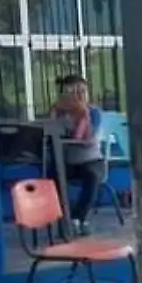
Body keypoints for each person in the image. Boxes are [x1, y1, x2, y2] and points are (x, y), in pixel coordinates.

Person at [50, 74, 107, 230]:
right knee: (52, 176)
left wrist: (84, 115)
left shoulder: (94, 112)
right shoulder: (62, 114)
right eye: (74, 91)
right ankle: (62, 217)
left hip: (91, 160)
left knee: (92, 176)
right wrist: (55, 112)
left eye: (83, 91)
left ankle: (78, 217)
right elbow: (51, 134)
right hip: (69, 161)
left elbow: (87, 138)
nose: (79, 95)